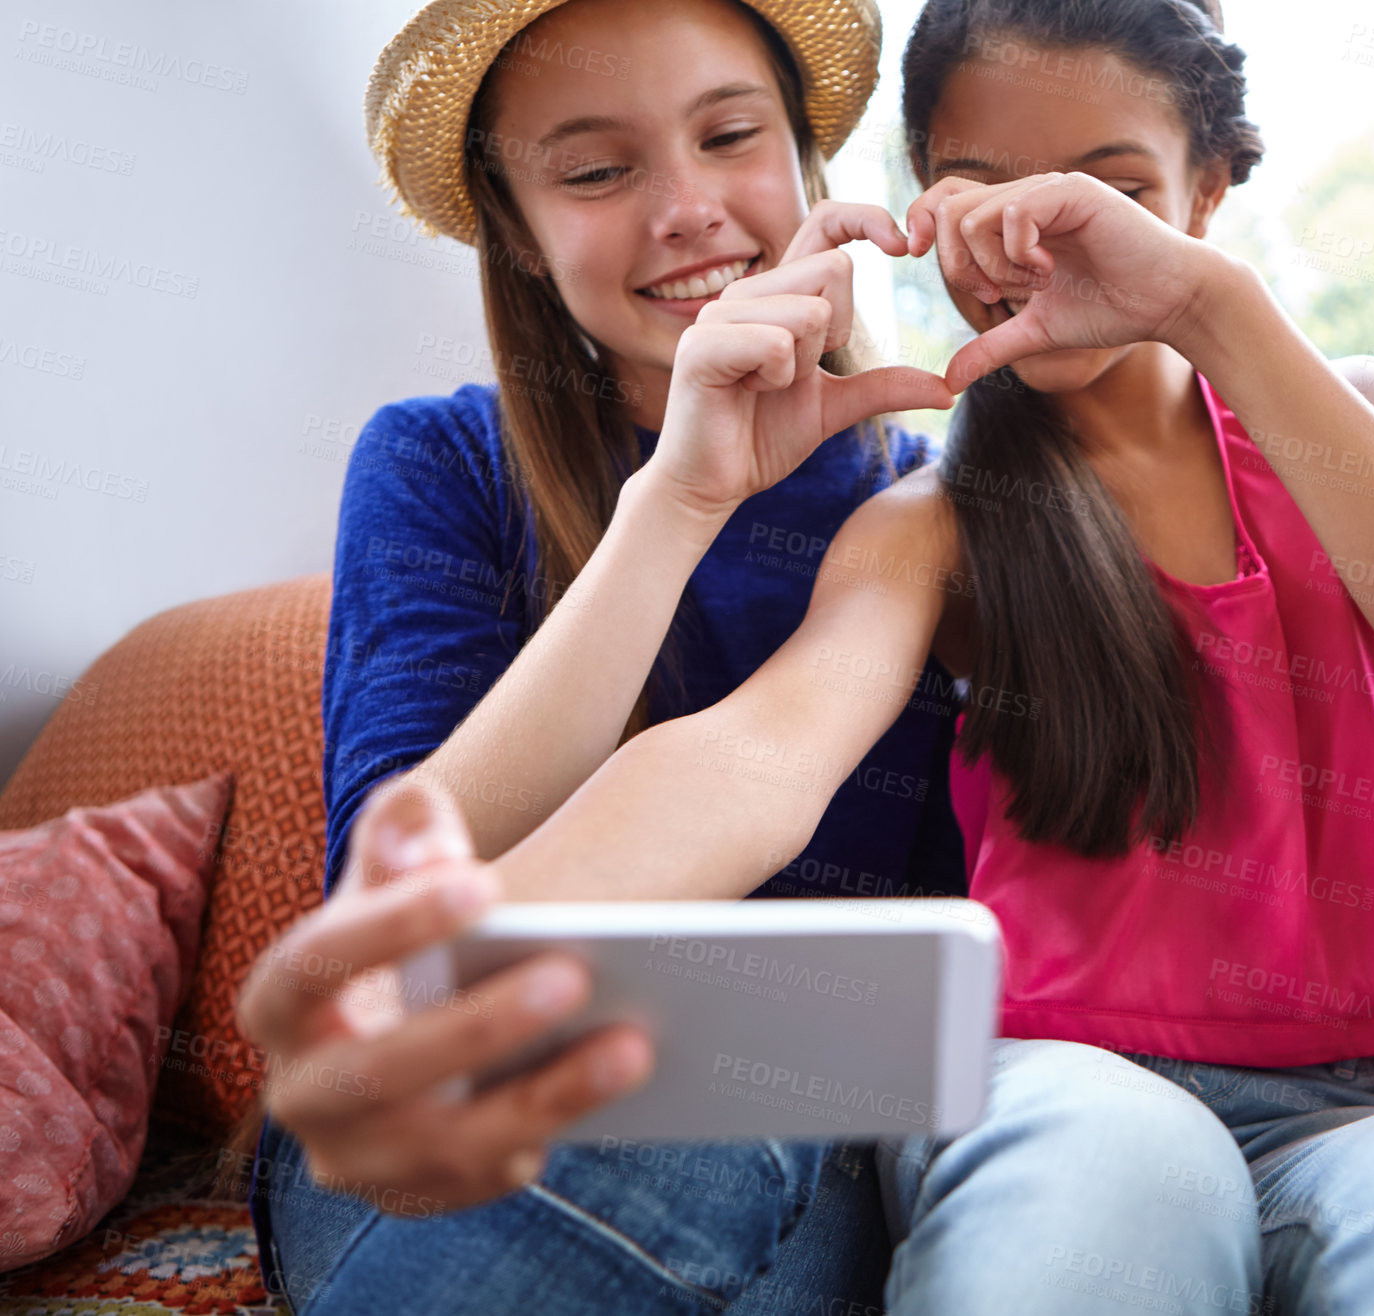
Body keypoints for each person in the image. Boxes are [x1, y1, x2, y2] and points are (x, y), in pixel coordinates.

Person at [286, 0, 1374, 1310]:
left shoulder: (1332, 427)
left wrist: (1214, 303)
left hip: (1324, 1099)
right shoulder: (929, 516)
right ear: (923, 206)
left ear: (1210, 187)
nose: (1054, 241)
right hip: (1024, 1076)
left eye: (1111, 193)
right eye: (988, 197)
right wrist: (440, 976)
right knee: (1115, 1163)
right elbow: (752, 758)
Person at [235, 0, 970, 1311]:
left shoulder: (926, 507)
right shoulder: (441, 462)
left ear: (805, 164)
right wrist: (676, 506)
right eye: (595, 171)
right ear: (515, 232)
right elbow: (396, 915)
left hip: (808, 1105)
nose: (686, 208)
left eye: (729, 136)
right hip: (452, 1077)